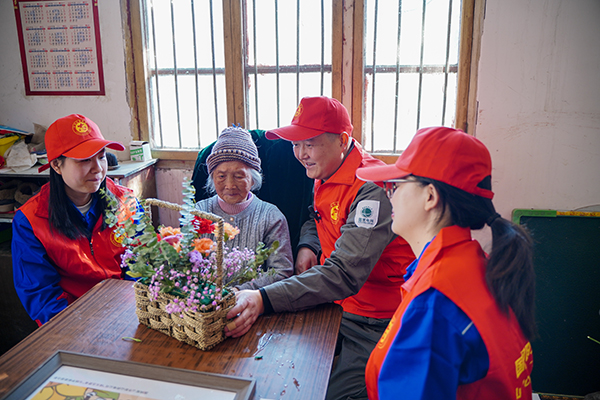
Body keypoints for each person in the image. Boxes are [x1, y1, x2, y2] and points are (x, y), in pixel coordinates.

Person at [224, 96, 415, 400]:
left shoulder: (370, 191)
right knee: (271, 367)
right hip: (336, 304)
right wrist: (308, 245)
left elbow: (343, 275)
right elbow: (318, 215)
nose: (300, 155)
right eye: (296, 145)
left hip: (375, 317)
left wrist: (262, 298)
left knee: (330, 394)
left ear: (342, 140)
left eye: (309, 144)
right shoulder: (326, 168)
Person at [356, 126, 536, 399]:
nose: (388, 194)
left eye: (396, 184)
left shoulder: (435, 300)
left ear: (430, 196)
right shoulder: (475, 265)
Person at [12, 114, 136, 326]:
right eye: (84, 159)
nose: (98, 168)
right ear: (57, 166)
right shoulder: (30, 221)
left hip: (128, 313)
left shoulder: (126, 202)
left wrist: (130, 311)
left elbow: (140, 265)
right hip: (72, 322)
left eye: (101, 156)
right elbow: (41, 294)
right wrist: (80, 327)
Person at [195, 126, 294, 290]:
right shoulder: (200, 212)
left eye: (239, 176)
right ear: (212, 178)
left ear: (253, 179)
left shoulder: (271, 216)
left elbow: (281, 272)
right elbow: (184, 262)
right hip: (203, 306)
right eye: (221, 176)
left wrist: (238, 292)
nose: (229, 185)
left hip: (253, 306)